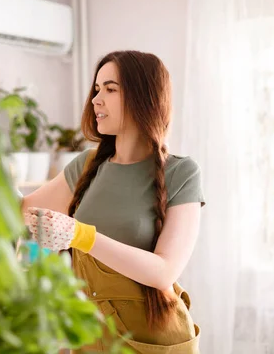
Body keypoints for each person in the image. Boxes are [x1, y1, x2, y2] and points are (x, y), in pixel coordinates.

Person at [21, 50, 205, 354]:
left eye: (110, 89)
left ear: (143, 97)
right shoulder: (87, 165)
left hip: (152, 341)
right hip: (92, 338)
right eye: (96, 90)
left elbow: (164, 271)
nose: (95, 99)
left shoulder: (181, 172)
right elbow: (23, 212)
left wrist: (81, 235)